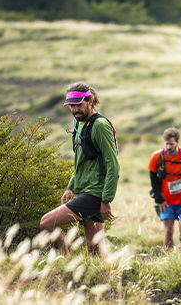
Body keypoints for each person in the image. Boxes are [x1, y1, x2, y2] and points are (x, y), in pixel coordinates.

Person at [39, 82, 120, 256]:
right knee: (95, 248)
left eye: (79, 104)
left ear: (90, 101)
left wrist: (106, 199)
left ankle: (65, 263)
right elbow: (81, 162)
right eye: (71, 106)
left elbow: (113, 164)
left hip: (94, 193)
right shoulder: (80, 124)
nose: (75, 109)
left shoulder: (100, 126)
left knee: (46, 223)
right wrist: (70, 187)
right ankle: (111, 276)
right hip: (84, 190)